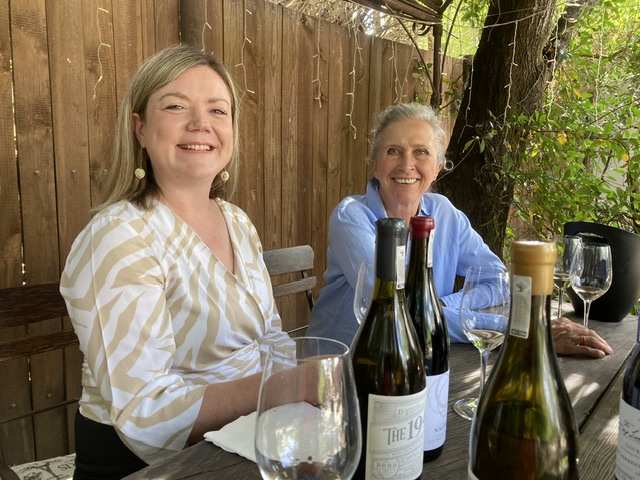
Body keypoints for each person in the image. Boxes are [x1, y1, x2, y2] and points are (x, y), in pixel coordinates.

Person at [60, 44, 290, 479]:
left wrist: (300, 404)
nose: (201, 123)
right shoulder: (119, 235)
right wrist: (281, 388)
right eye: (175, 106)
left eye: (218, 110)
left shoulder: (236, 221)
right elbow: (146, 412)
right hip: (151, 464)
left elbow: (272, 336)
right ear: (140, 128)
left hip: (250, 436)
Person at [305, 102, 612, 359]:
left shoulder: (444, 213)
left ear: (437, 167)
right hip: (340, 369)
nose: (406, 164)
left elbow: (495, 279)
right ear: (374, 165)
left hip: (415, 360)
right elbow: (394, 307)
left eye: (421, 152)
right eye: (393, 151)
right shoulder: (351, 216)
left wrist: (440, 306)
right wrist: (524, 330)